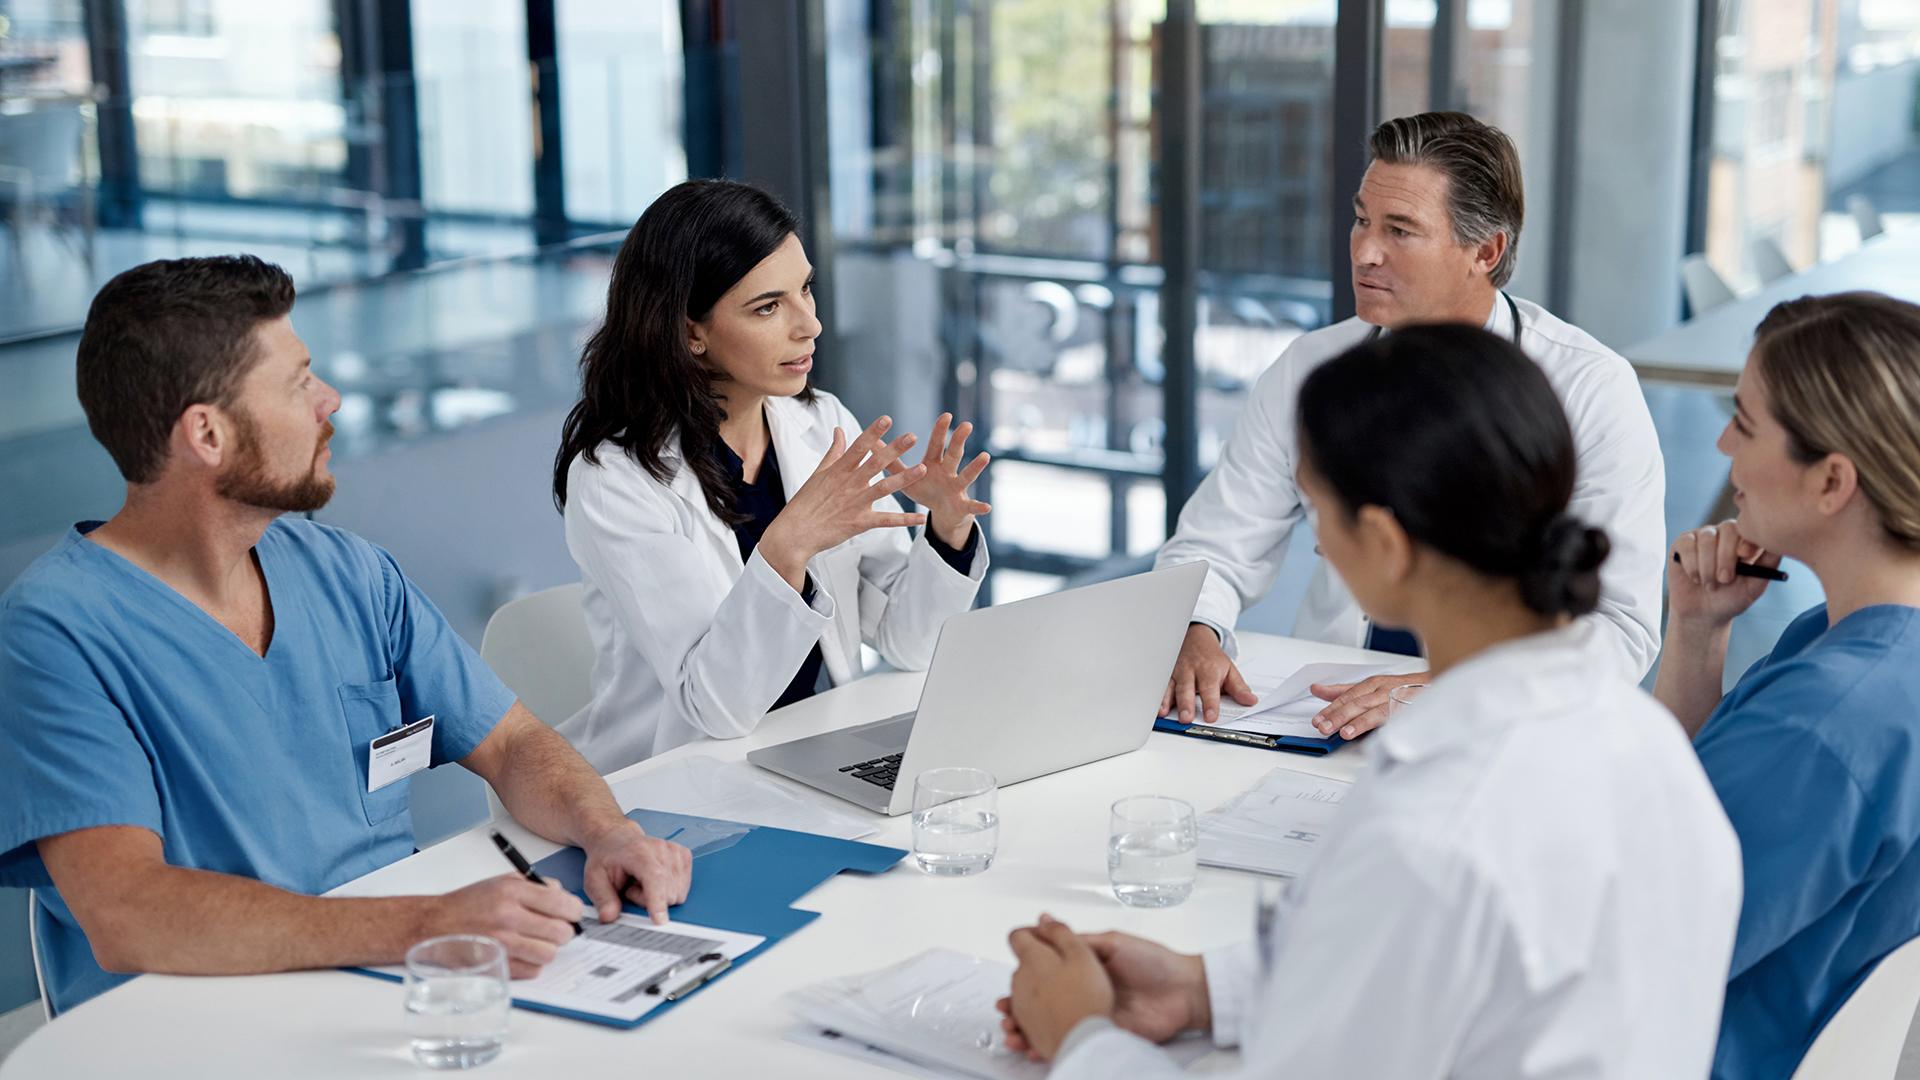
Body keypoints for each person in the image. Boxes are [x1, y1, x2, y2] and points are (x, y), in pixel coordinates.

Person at [999, 325, 1740, 1078]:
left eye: (1319, 507)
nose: (1316, 539)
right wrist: (1205, 989)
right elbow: (1448, 981)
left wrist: (1082, 1037)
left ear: (1385, 543)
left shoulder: (1434, 826)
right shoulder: (1647, 746)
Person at [0, 256, 693, 1016]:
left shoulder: (349, 573)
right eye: (299, 382)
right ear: (207, 433)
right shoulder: (55, 635)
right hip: (198, 1025)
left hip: (394, 990)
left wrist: (607, 832)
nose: (329, 399)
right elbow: (129, 913)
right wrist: (428, 924)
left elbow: (513, 743)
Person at [1156, 111, 1664, 741]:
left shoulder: (1590, 387)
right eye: (1362, 220)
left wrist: (1444, 686)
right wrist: (1194, 631)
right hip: (1318, 713)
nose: (1366, 252)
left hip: (1505, 721)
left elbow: (1620, 626)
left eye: (1400, 230)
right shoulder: (1311, 368)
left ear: (1486, 251)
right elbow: (1215, 543)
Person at [552, 179, 991, 774]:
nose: (808, 324)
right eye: (768, 307)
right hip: (680, 777)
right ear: (690, 332)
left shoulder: (821, 421)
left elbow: (906, 641)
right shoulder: (615, 480)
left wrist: (947, 527)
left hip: (817, 747)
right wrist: (790, 543)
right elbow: (715, 706)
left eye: (804, 290)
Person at [1654, 292, 1920, 1079]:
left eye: (1746, 420)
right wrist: (1698, 634)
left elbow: (1621, 946)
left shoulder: (1826, 724)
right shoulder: (1853, 647)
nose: (1722, 442)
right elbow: (1677, 811)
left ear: (1833, 480)